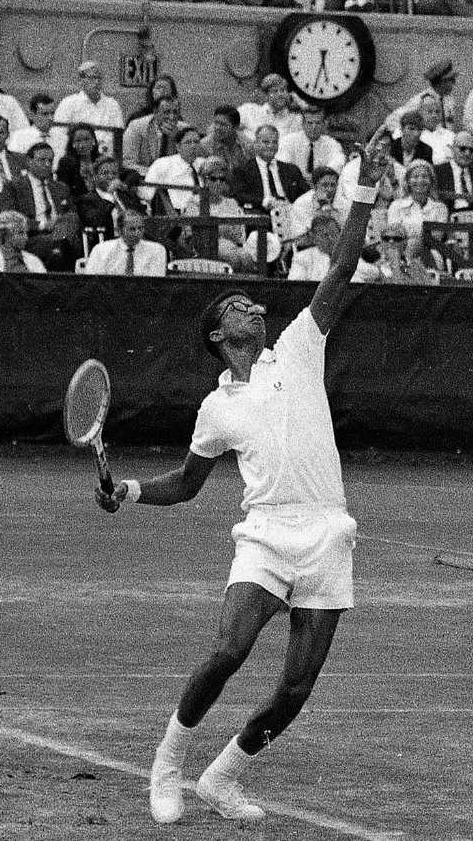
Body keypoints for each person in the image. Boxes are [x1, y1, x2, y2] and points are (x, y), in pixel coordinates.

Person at [96, 133, 390, 825]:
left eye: (254, 303)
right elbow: (190, 482)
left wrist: (365, 192)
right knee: (229, 649)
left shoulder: (298, 344)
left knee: (294, 689)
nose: (253, 307)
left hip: (328, 531)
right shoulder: (216, 406)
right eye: (237, 306)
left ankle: (223, 775)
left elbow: (343, 265)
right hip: (263, 535)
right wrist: (131, 490)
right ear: (216, 334)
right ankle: (166, 764)